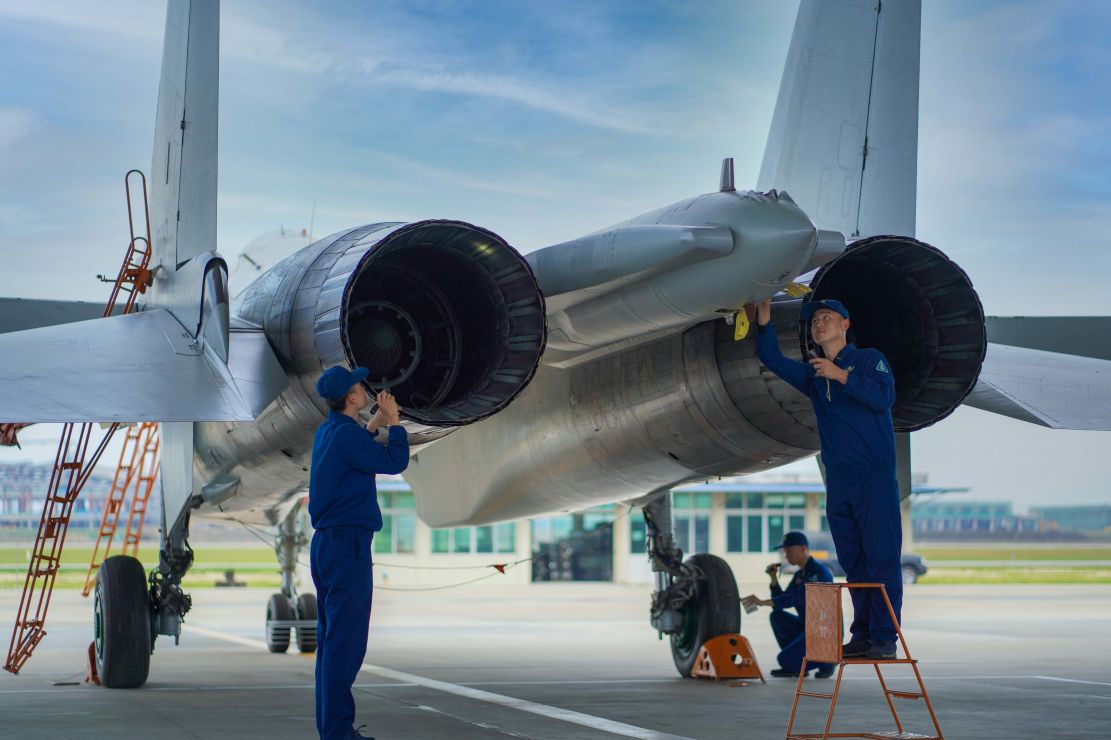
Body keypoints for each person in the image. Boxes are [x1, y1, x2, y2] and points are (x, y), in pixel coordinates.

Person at [754, 297, 902, 661]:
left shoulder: (869, 360)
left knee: (881, 559)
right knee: (854, 563)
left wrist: (843, 376)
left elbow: (885, 398)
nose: (819, 324)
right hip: (839, 482)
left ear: (845, 324)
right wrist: (763, 319)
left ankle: (884, 638)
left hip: (874, 479)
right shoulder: (814, 375)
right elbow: (771, 359)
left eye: (827, 317)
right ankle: (863, 634)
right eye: (815, 319)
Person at [309, 365, 410, 740]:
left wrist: (375, 423)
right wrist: (395, 424)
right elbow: (392, 461)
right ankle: (338, 733)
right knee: (346, 642)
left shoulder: (330, 431)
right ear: (352, 398)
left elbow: (357, 449)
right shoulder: (346, 437)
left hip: (328, 545)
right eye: (358, 385)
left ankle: (331, 728)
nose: (364, 387)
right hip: (347, 546)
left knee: (331, 641)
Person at [743, 531, 835, 678]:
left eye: (789, 551)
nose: (786, 556)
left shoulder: (819, 573)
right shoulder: (800, 574)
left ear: (803, 548)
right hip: (808, 629)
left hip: (823, 633)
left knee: (784, 660)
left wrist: (761, 602)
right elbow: (781, 601)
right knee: (776, 616)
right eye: (785, 552)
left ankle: (827, 661)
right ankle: (799, 664)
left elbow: (795, 598)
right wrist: (773, 579)